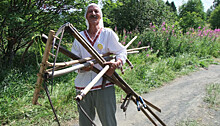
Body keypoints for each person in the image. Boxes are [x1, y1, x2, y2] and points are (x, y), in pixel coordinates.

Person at [71, 3, 127, 126]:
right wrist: (82, 68)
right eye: (90, 12)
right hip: (83, 87)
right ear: (86, 16)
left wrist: (116, 63)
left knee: (108, 122)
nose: (93, 13)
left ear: (100, 16)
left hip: (104, 85)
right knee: (85, 123)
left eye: (96, 11)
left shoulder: (107, 34)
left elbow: (121, 51)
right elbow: (73, 62)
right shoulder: (79, 37)